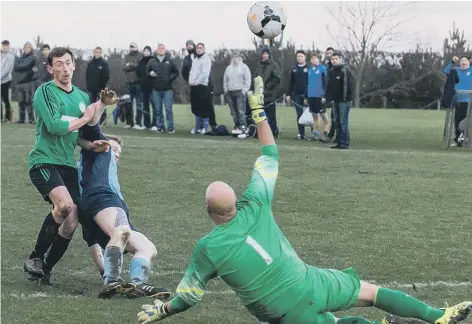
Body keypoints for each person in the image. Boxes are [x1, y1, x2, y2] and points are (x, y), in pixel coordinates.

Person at [136, 77, 472, 324]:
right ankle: (438, 315)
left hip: (287, 315)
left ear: (208, 212)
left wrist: (164, 310)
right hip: (310, 281)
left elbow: (190, 296)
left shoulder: (207, 248)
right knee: (373, 294)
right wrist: (258, 112)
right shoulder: (256, 203)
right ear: (235, 202)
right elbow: (270, 151)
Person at [24, 47, 118, 285]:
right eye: (58, 64)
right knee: (65, 205)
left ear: (74, 65)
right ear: (50, 69)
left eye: (68, 63)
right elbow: (56, 127)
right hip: (44, 161)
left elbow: (77, 133)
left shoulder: (81, 97)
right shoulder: (45, 92)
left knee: (72, 221)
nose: (64, 69)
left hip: (67, 164)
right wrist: (86, 118)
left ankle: (44, 269)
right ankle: (35, 257)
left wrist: (90, 144)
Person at [77, 123, 171, 300]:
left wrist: (101, 266)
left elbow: (91, 239)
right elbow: (90, 127)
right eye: (113, 149)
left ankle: (138, 284)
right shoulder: (98, 151)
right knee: (122, 231)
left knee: (148, 248)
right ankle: (111, 280)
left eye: (119, 152)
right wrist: (102, 104)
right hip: (100, 195)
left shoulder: (109, 175)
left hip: (107, 202)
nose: (116, 154)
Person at [146, 43, 179, 133]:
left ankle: (170, 127)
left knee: (168, 109)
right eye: (159, 48)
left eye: (163, 48)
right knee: (158, 110)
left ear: (165, 50)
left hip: (168, 89)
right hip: (156, 89)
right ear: (156, 50)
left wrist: (170, 78)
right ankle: (160, 127)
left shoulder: (170, 61)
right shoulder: (151, 61)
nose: (161, 49)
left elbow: (176, 73)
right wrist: (150, 74)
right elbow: (147, 73)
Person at [326, 52, 353, 150]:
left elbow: (347, 86)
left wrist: (345, 99)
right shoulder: (332, 71)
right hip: (335, 101)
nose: (334, 60)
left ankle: (345, 143)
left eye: (336, 58)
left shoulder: (344, 71)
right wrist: (329, 98)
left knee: (343, 122)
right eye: (332, 59)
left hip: (344, 101)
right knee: (336, 122)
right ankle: (339, 142)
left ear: (340, 59)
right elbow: (329, 86)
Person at [189, 43, 217, 134]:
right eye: (197, 48)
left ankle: (205, 127)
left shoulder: (206, 59)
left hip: (202, 86)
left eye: (200, 48)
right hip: (194, 86)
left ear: (204, 49)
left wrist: (196, 82)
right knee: (196, 108)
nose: (198, 49)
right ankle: (198, 127)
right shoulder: (195, 59)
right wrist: (191, 82)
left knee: (203, 107)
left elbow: (205, 74)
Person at [444, 55, 472, 147]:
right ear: (459, 63)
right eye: (462, 60)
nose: (464, 61)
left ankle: (467, 138)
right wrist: (452, 62)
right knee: (458, 121)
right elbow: (446, 71)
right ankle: (459, 139)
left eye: (466, 60)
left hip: (469, 100)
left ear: (469, 62)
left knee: (467, 121)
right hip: (459, 101)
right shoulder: (456, 70)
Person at [254, 45, 281, 138]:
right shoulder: (259, 65)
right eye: (264, 53)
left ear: (269, 54)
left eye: (266, 53)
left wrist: (269, 86)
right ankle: (262, 133)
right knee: (261, 116)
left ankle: (274, 132)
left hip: (270, 94)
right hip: (260, 95)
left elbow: (277, 79)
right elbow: (255, 77)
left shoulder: (274, 65)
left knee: (271, 116)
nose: (265, 55)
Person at [223, 51, 251, 135]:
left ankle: (243, 126)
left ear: (239, 58)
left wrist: (244, 90)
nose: (235, 59)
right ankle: (237, 126)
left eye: (236, 57)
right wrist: (226, 90)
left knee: (240, 111)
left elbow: (247, 80)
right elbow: (225, 80)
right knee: (233, 112)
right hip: (230, 92)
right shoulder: (228, 68)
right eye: (233, 57)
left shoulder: (244, 67)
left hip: (240, 92)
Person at [286, 50, 309, 139]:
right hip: (296, 94)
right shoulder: (294, 69)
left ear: (305, 57)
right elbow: (291, 83)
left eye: (301, 56)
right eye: (298, 56)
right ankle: (301, 133)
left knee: (308, 114)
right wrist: (288, 94)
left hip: (307, 95)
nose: (299, 58)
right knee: (299, 114)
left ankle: (312, 133)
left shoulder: (309, 68)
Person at [307, 53, 329, 141]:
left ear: (319, 59)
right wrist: (306, 96)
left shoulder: (323, 69)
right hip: (311, 95)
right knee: (314, 115)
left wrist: (325, 95)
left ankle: (326, 132)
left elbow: (326, 82)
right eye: (312, 58)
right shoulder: (310, 69)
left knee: (323, 114)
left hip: (320, 96)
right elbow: (308, 83)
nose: (313, 60)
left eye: (315, 58)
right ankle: (315, 133)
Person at [86, 46, 110, 125]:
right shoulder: (90, 63)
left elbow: (106, 76)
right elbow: (87, 75)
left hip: (101, 89)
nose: (98, 54)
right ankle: (91, 121)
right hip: (91, 89)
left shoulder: (104, 63)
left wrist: (101, 87)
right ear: (94, 53)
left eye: (99, 52)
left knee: (101, 106)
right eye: (96, 52)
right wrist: (89, 85)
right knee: (91, 106)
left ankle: (102, 121)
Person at [121, 42, 143, 128]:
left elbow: (140, 66)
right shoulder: (126, 56)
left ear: (136, 47)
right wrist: (132, 66)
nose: (131, 48)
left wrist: (129, 64)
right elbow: (123, 67)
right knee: (127, 103)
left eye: (133, 47)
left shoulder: (140, 56)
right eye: (130, 47)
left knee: (138, 104)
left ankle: (138, 123)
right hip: (128, 83)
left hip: (138, 83)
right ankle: (129, 123)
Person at [14, 42, 36, 124]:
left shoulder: (33, 58)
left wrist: (19, 66)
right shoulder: (20, 57)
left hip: (28, 82)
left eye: (28, 47)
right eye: (25, 47)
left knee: (28, 101)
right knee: (20, 101)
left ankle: (31, 119)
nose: (27, 49)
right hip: (19, 82)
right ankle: (21, 119)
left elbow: (25, 65)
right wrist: (19, 66)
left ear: (31, 48)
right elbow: (15, 67)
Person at [136, 46, 154, 130]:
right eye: (145, 51)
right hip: (143, 87)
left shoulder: (153, 60)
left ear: (150, 52)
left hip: (153, 86)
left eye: (148, 51)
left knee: (154, 106)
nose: (146, 52)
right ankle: (147, 124)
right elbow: (138, 73)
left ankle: (155, 124)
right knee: (145, 106)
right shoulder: (141, 61)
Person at [1, 39, 14, 122]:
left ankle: (8, 117)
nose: (4, 47)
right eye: (3, 45)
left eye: (6, 45)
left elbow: (7, 69)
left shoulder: (10, 56)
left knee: (5, 99)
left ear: (8, 46)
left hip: (6, 81)